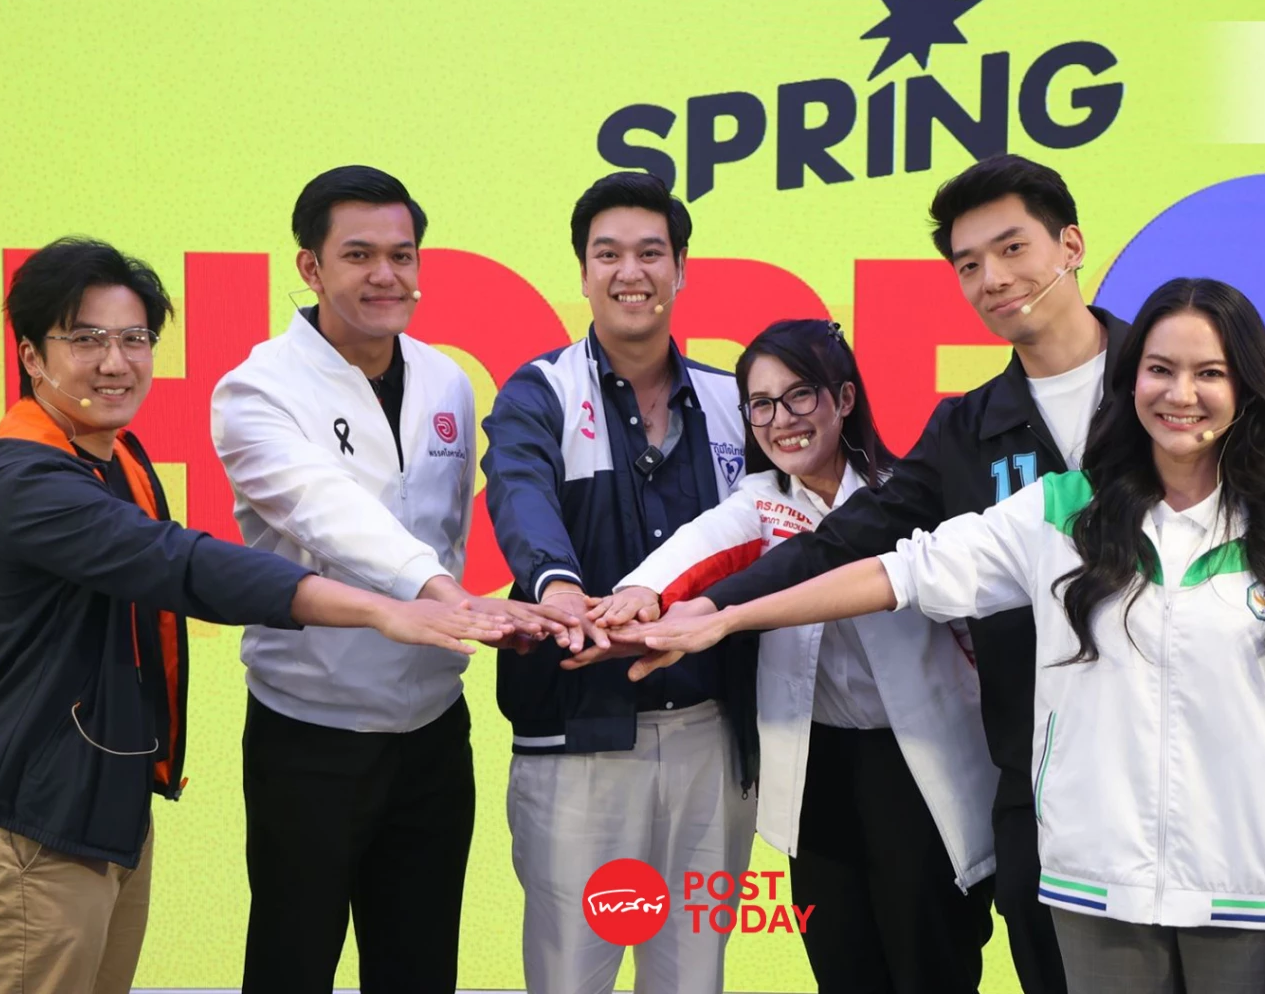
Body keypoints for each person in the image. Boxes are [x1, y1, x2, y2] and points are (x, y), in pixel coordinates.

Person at [621, 278, 1265, 994]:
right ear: (1130, 383)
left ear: (1246, 388)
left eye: (1208, 373)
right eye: (1159, 370)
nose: (1180, 394)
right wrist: (728, 615)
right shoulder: (1061, 512)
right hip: (1096, 885)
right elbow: (901, 571)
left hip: (1245, 890)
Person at [0, 237, 508, 994]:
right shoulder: (29, 483)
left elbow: (51, 631)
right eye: (87, 340)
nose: (115, 362)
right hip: (42, 814)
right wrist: (380, 610)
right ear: (32, 356)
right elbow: (184, 565)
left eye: (135, 339)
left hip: (91, 798)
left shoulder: (110, 456)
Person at [666, 153, 1120, 994]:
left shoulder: (1175, 388)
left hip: (1182, 761)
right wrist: (716, 608)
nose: (993, 279)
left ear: (1070, 245)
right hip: (1037, 775)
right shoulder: (966, 429)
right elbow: (845, 544)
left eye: (1012, 248)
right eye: (969, 265)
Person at [210, 166, 578, 994]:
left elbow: (446, 529)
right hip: (310, 734)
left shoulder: (447, 379)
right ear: (310, 267)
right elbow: (328, 513)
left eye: (402, 255)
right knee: (292, 965)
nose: (386, 275)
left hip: (433, 734)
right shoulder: (257, 390)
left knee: (419, 969)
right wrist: (444, 596)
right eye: (359, 255)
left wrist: (493, 609)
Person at [581, 319, 1001, 993]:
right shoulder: (760, 502)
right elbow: (698, 545)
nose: (782, 420)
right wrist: (638, 596)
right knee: (841, 963)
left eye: (800, 395)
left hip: (918, 766)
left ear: (844, 398)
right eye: (761, 404)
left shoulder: (907, 495)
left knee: (931, 960)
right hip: (817, 764)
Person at [480, 171, 756, 994]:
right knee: (572, 976)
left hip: (712, 736)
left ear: (681, 268)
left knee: (694, 976)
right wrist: (556, 587)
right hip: (580, 741)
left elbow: (778, 523)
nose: (630, 272)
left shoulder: (735, 398)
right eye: (608, 254)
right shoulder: (542, 390)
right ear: (583, 271)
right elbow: (519, 490)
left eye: (650, 253)